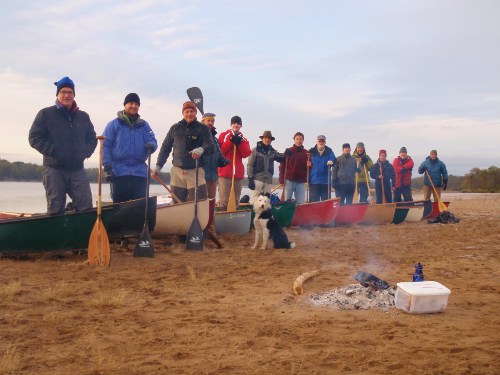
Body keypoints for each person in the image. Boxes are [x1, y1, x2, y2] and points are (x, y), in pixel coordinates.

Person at [29, 76, 97, 215]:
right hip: (54, 169)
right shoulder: (45, 114)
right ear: (58, 94)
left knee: (86, 206)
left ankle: (82, 236)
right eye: (63, 92)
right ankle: (56, 236)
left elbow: (92, 138)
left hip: (77, 169)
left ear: (74, 95)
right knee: (56, 208)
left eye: (70, 92)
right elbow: (34, 137)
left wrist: (85, 152)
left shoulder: (83, 116)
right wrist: (54, 151)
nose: (66, 95)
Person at [154, 101, 215, 202]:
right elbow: (165, 148)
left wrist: (202, 149)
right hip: (177, 173)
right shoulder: (175, 128)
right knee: (177, 203)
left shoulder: (203, 129)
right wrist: (158, 166)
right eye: (187, 111)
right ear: (183, 113)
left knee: (200, 204)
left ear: (195, 113)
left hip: (196, 172)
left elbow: (211, 146)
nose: (189, 114)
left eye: (192, 111)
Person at [102, 93, 157, 203]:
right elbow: (105, 146)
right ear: (124, 105)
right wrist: (107, 167)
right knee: (120, 208)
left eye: (136, 104)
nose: (134, 106)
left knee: (140, 207)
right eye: (131, 103)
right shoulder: (113, 124)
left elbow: (153, 141)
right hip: (119, 172)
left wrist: (152, 145)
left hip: (140, 173)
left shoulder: (144, 125)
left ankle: (140, 221)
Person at [217, 116, 251, 210]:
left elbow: (246, 153)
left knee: (236, 201)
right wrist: (231, 141)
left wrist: (240, 143)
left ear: (240, 125)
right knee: (224, 201)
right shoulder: (224, 135)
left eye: (238, 123)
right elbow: (221, 151)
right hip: (225, 173)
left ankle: (233, 219)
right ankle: (221, 218)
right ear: (231, 125)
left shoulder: (243, 138)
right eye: (234, 123)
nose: (236, 125)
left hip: (238, 175)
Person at [247, 130, 284, 203]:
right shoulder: (255, 150)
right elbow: (250, 165)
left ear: (271, 140)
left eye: (269, 138)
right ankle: (252, 213)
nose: (267, 140)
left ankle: (264, 214)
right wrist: (250, 179)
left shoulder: (273, 152)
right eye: (265, 138)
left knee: (266, 201)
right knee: (255, 199)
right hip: (257, 179)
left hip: (268, 181)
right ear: (262, 139)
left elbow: (281, 158)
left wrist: (287, 153)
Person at [281, 132, 310, 204]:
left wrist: (310, 165)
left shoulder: (306, 153)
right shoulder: (289, 151)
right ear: (294, 140)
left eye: (300, 139)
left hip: (301, 182)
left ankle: (299, 215)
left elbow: (309, 167)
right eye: (297, 139)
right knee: (286, 201)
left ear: (303, 140)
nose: (299, 141)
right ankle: (286, 215)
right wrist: (281, 179)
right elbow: (282, 165)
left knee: (300, 203)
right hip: (289, 180)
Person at [200, 112, 223, 201]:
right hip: (201, 175)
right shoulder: (198, 136)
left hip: (213, 176)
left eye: (212, 121)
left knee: (211, 201)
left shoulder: (215, 139)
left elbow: (218, 154)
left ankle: (210, 215)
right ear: (203, 121)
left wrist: (222, 161)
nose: (210, 123)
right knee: (201, 201)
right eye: (208, 121)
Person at [308, 135, 336, 202]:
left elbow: (334, 160)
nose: (321, 142)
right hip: (314, 182)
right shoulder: (311, 152)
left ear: (325, 142)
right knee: (313, 203)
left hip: (325, 182)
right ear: (316, 142)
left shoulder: (329, 151)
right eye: (319, 141)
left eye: (322, 141)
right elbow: (306, 162)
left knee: (325, 203)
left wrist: (332, 162)